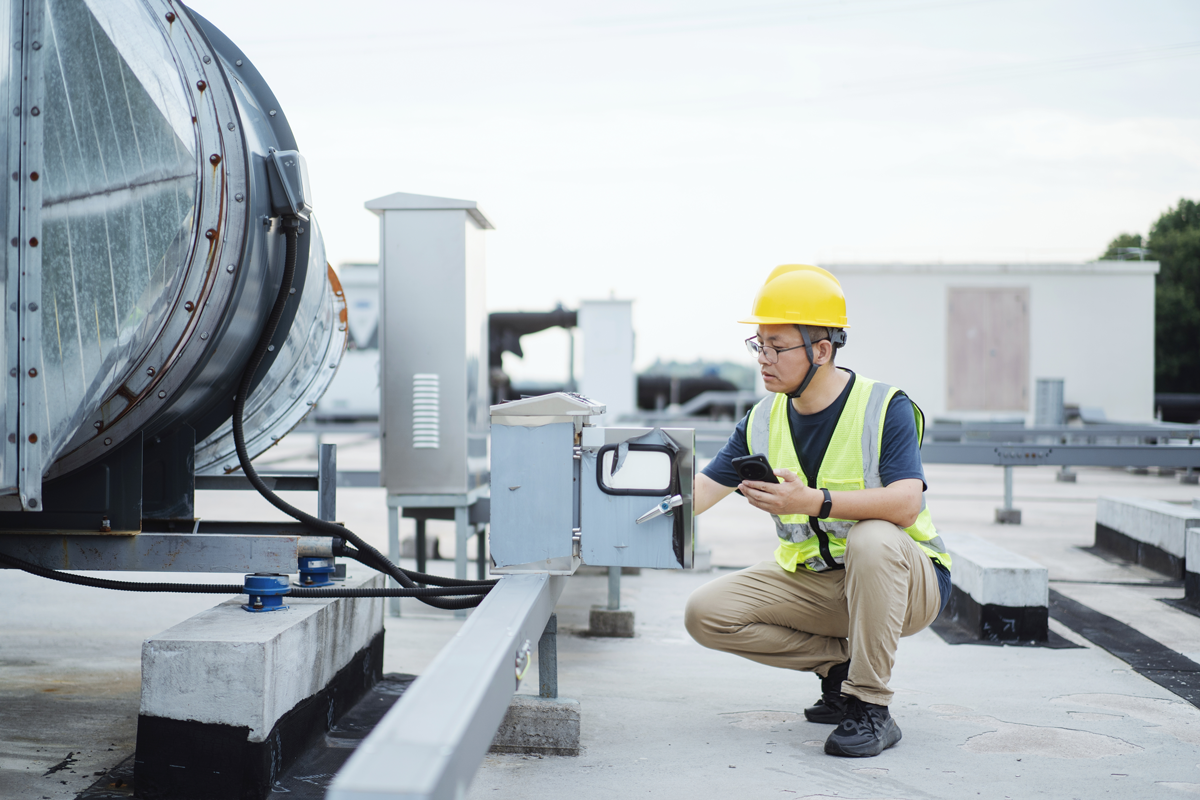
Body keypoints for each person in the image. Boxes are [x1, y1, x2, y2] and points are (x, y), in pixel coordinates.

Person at [683, 264, 952, 758]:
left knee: (871, 537)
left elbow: (907, 504)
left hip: (907, 582)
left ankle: (871, 706)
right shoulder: (761, 420)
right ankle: (839, 666)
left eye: (777, 346)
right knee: (705, 614)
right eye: (758, 345)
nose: (763, 359)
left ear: (822, 350)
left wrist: (813, 500)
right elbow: (697, 493)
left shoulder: (883, 406)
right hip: (821, 582)